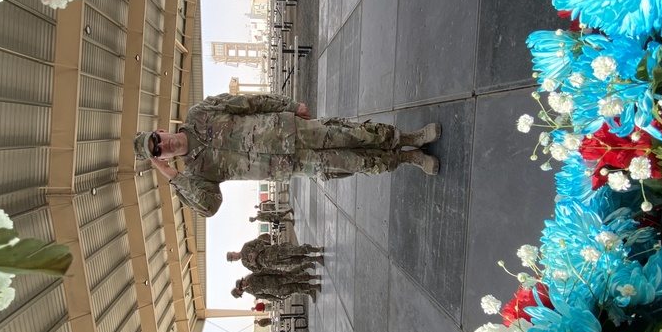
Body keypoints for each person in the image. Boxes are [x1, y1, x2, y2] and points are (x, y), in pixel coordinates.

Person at [134, 93, 441, 216]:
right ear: (161, 158)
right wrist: (174, 178)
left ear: (160, 130)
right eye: (157, 152)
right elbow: (209, 207)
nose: (163, 146)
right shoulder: (195, 173)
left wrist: (290, 106)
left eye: (156, 140)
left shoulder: (200, 113)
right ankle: (408, 159)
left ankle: (409, 137)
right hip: (293, 164)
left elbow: (249, 103)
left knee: (355, 133)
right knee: (356, 162)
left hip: (291, 129)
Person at [227, 235, 323, 275]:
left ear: (233, 252)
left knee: (296, 251)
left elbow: (260, 242)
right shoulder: (245, 263)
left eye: (233, 256)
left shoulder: (246, 246)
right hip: (274, 263)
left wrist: (256, 252)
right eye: (233, 259)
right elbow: (258, 270)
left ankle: (315, 249)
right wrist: (254, 264)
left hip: (274, 251)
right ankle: (315, 259)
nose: (235, 258)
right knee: (296, 261)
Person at [232, 272, 321, 301]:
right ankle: (313, 287)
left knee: (295, 278)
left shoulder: (250, 277)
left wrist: (276, 272)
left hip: (277, 279)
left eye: (240, 288)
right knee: (295, 288)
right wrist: (276, 298)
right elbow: (264, 296)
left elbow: (264, 272)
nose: (241, 289)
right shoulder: (250, 291)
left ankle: (313, 277)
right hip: (277, 290)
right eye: (240, 293)